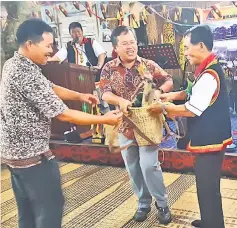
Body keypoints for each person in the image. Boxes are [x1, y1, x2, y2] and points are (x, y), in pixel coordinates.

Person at [0, 19, 122, 228]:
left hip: (14, 154)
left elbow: (52, 87)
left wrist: (81, 95)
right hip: (31, 156)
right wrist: (104, 119)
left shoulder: (15, 64)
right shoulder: (25, 72)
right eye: (47, 46)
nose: (51, 51)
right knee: (51, 207)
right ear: (30, 44)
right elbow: (63, 114)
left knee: (27, 210)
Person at [148, 25, 233, 228]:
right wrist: (173, 96)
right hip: (210, 136)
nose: (185, 53)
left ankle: (214, 225)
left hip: (210, 140)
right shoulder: (207, 69)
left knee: (208, 186)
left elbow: (192, 109)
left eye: (187, 48)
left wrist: (164, 107)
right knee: (206, 185)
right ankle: (210, 221)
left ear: (201, 45)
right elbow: (192, 93)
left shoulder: (209, 74)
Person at [100, 26, 173, 225]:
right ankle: (143, 203)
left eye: (132, 42)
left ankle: (162, 203)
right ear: (116, 47)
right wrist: (120, 101)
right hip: (124, 125)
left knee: (149, 165)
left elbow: (168, 80)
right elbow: (104, 92)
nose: (131, 46)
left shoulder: (148, 65)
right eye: (125, 43)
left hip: (148, 124)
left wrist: (159, 93)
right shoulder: (108, 68)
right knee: (133, 167)